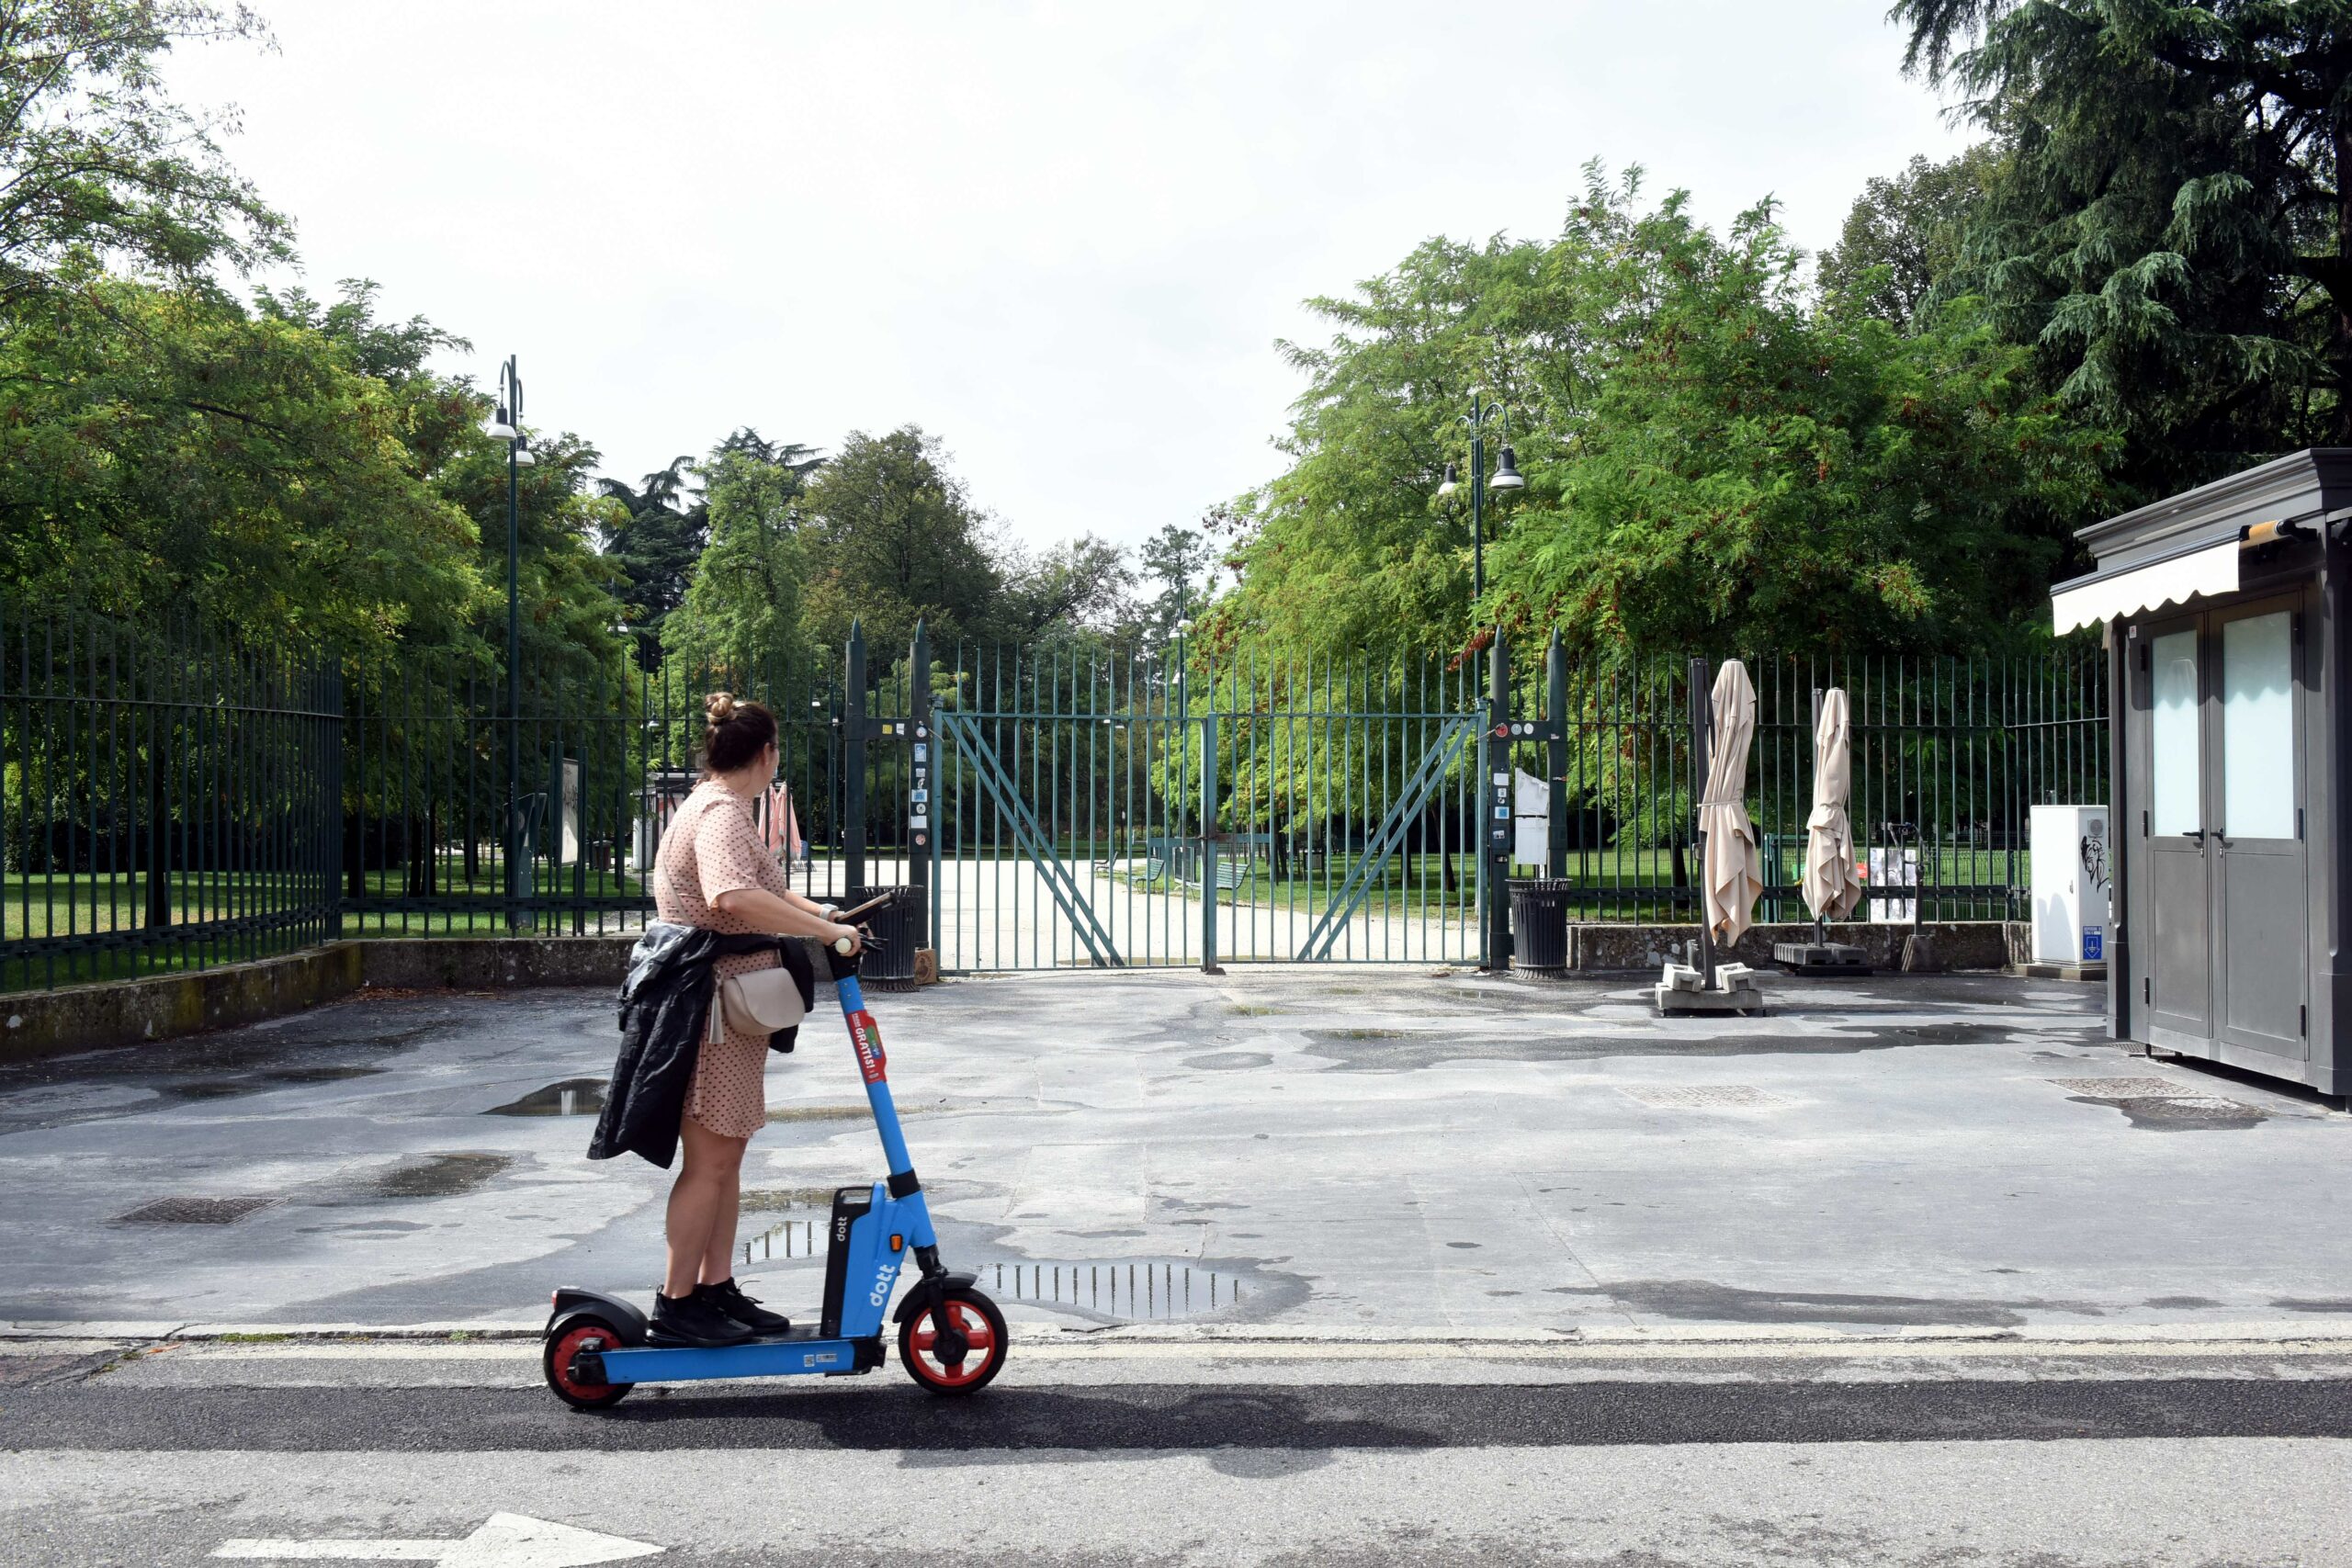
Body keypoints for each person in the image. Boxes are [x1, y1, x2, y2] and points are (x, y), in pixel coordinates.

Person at [641, 692, 863, 1347]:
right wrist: (822, 934)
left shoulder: (722, 809)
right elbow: (731, 895)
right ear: (765, 754)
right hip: (710, 1013)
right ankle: (676, 1302)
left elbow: (766, 889)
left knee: (725, 1157)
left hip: (725, 1016)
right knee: (709, 1161)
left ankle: (713, 1288)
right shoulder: (718, 814)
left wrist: (825, 919)